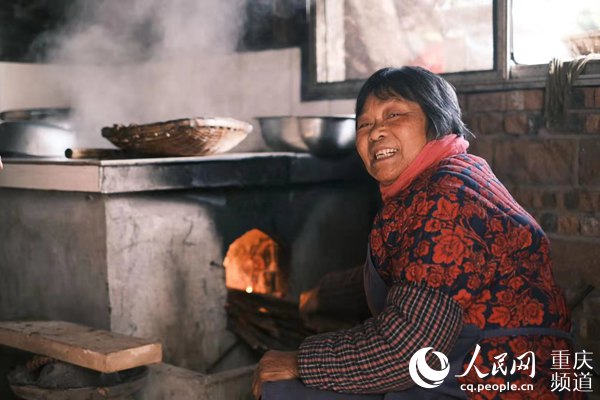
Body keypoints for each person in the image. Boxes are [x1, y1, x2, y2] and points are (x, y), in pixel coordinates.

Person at [252, 66, 579, 399]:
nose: (375, 132)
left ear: (436, 122)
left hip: (496, 387)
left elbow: (405, 351)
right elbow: (417, 274)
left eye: (394, 114)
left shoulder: (446, 200)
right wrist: (324, 295)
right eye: (364, 124)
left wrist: (300, 361)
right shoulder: (451, 177)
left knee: (281, 389)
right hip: (490, 374)